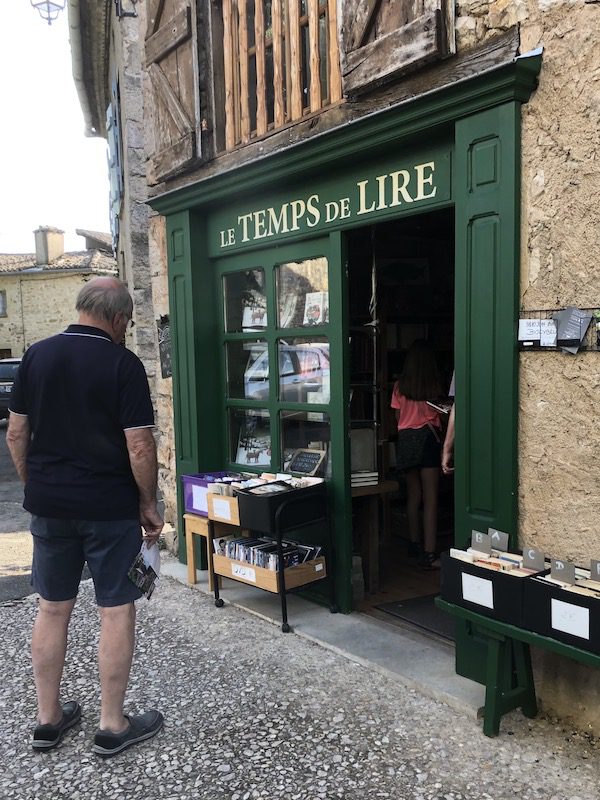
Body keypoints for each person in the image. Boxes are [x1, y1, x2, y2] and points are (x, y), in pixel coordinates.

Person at [6, 277, 164, 758]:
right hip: (108, 507)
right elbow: (139, 444)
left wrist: (37, 486)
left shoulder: (36, 356)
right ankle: (112, 726)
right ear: (118, 320)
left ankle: (48, 720)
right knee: (115, 609)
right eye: (127, 324)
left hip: (51, 505)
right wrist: (148, 503)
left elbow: (16, 434)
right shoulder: (123, 363)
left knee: (52, 607)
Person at [391, 340, 443, 570]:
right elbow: (441, 417)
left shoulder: (399, 386)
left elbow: (396, 417)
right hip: (428, 440)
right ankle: (430, 553)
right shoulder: (434, 386)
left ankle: (413, 543)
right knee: (431, 498)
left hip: (406, 441)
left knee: (414, 496)